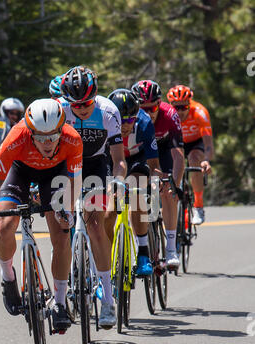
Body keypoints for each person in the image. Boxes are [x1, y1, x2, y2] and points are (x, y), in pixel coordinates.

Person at [0, 98, 83, 332]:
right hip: (20, 173)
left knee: (62, 233)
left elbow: (74, 180)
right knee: (5, 227)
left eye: (53, 137)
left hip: (55, 176)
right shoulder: (16, 136)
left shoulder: (72, 139)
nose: (47, 143)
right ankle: (8, 277)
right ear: (30, 132)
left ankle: (60, 302)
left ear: (61, 130)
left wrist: (69, 211)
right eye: (41, 137)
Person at [54, 65, 127, 329]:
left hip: (96, 166)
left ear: (95, 96)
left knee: (96, 225)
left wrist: (117, 182)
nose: (81, 109)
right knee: (61, 224)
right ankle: (63, 286)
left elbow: (119, 159)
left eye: (86, 103)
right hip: (65, 166)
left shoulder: (108, 111)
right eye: (76, 105)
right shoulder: (59, 110)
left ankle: (107, 300)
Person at [106, 88, 162, 276]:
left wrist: (154, 183)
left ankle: (144, 253)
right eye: (121, 120)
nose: (125, 125)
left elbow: (154, 165)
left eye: (130, 120)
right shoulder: (103, 123)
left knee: (137, 192)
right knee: (107, 212)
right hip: (111, 162)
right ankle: (109, 255)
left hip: (137, 161)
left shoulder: (145, 123)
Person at [131, 80, 185, 270]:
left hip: (164, 150)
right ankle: (141, 247)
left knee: (167, 192)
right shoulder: (130, 117)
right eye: (142, 109)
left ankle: (171, 249)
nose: (148, 113)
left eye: (152, 108)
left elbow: (179, 156)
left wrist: (175, 185)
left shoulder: (170, 114)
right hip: (142, 152)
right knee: (136, 194)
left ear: (159, 103)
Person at [167, 85, 213, 225]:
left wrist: (206, 160)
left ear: (190, 104)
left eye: (184, 107)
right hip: (177, 143)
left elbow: (208, 143)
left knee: (194, 160)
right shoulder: (167, 114)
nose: (180, 112)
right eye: (177, 108)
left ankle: (198, 206)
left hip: (195, 143)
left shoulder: (200, 112)